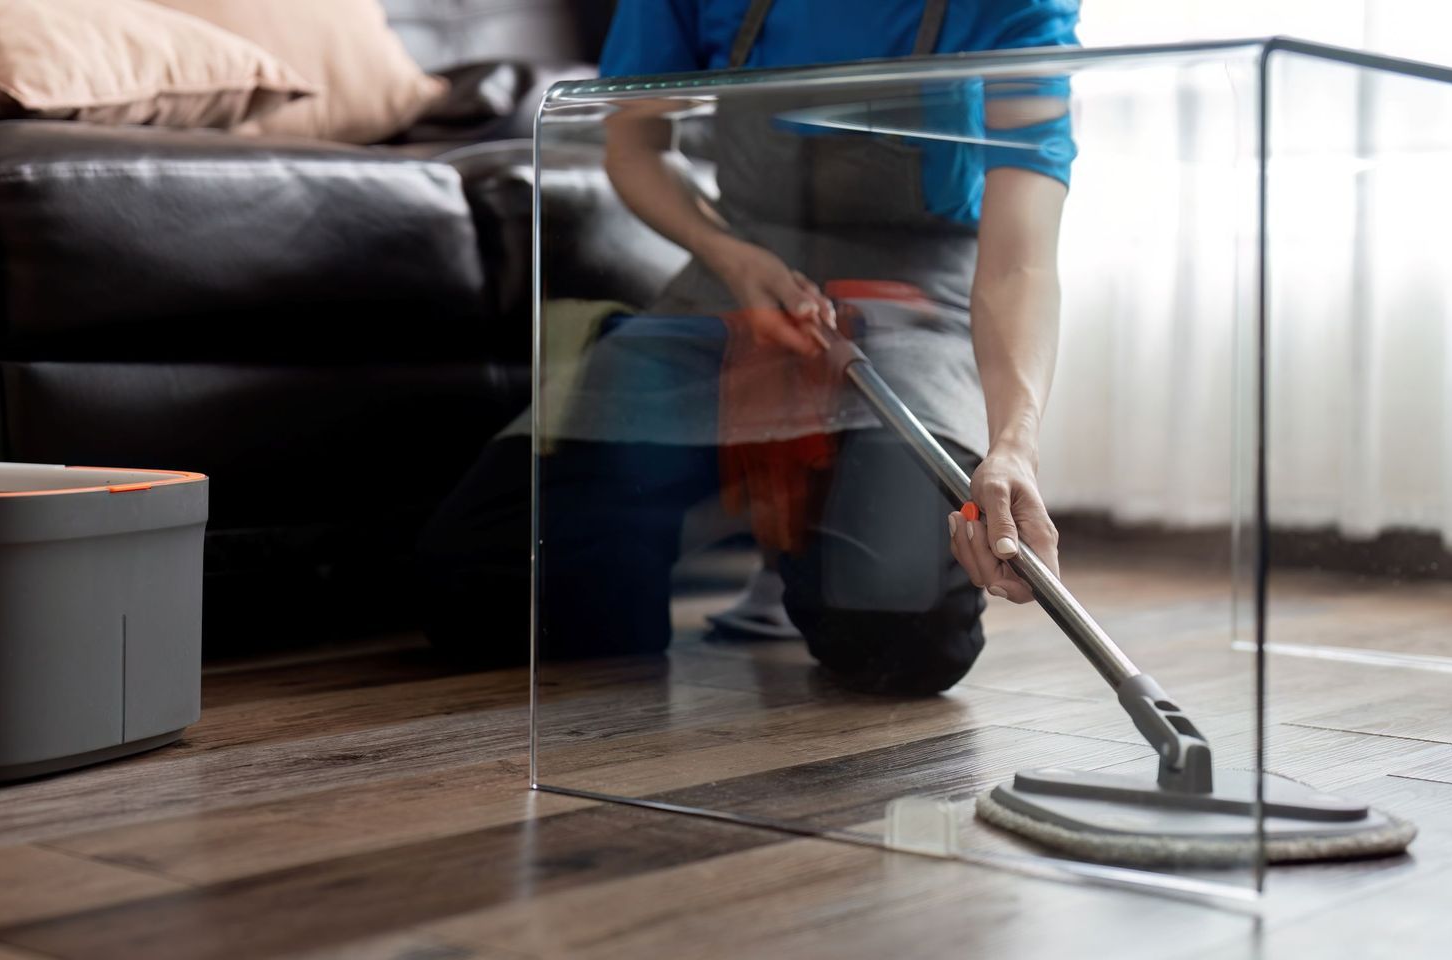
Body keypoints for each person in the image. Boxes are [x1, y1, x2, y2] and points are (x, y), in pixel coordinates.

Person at [418, 0, 1078, 695]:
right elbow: (634, 148)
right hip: (734, 281)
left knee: (904, 643)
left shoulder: (1018, 7)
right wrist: (728, 255)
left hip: (913, 304)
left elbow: (1018, 265)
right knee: (480, 585)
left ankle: (802, 527)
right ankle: (725, 512)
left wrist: (1013, 447)